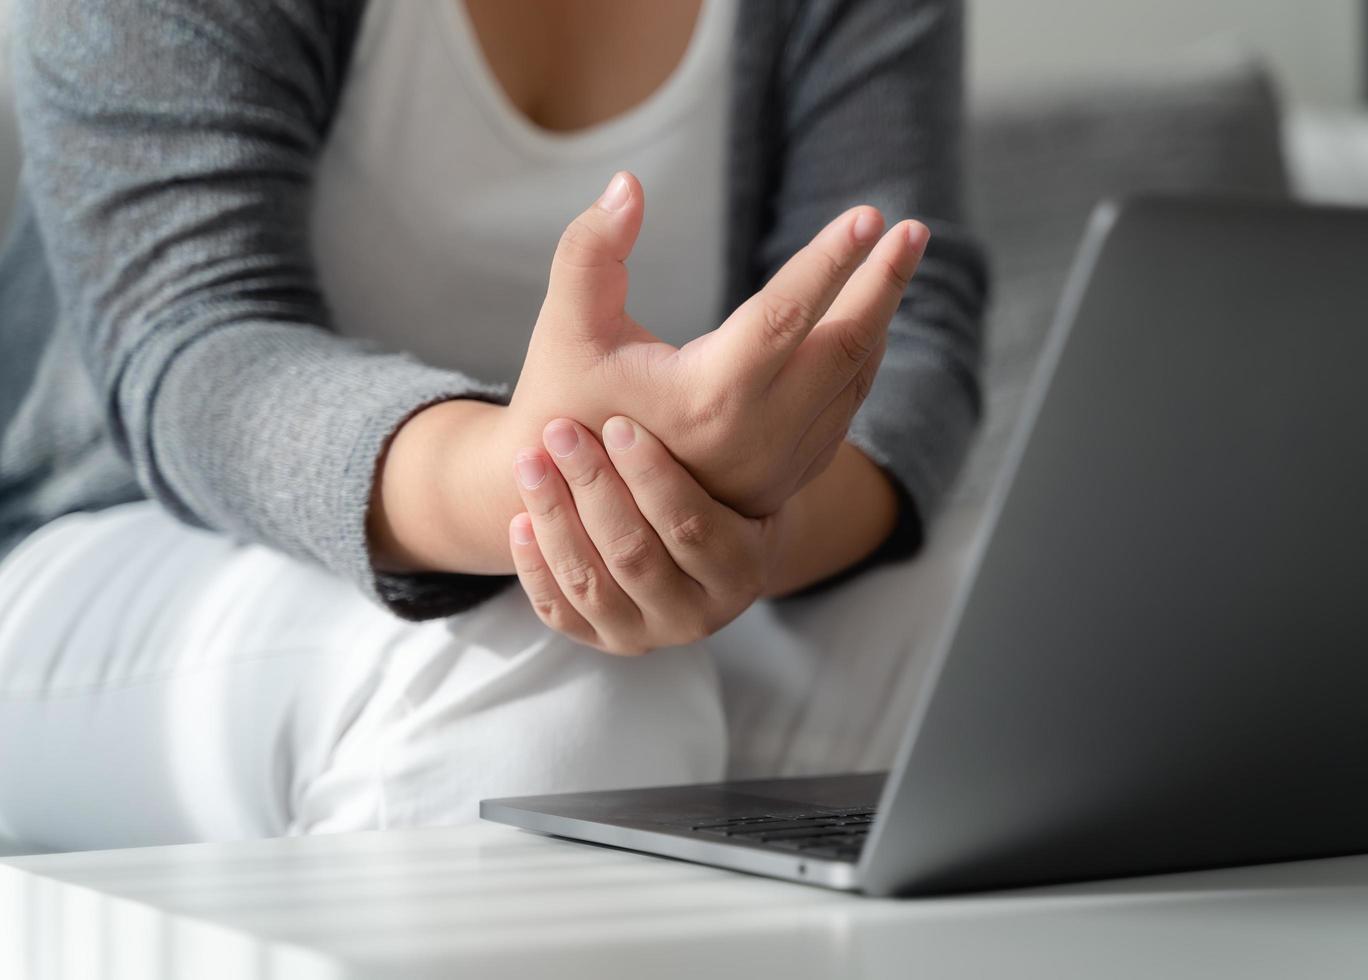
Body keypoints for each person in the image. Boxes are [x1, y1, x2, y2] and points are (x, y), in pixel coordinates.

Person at [0, 0, 985, 851]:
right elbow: (191, 344)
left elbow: (906, 331)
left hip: (657, 528)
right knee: (550, 685)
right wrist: (535, 478)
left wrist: (739, 534)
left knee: (978, 656)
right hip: (120, 545)